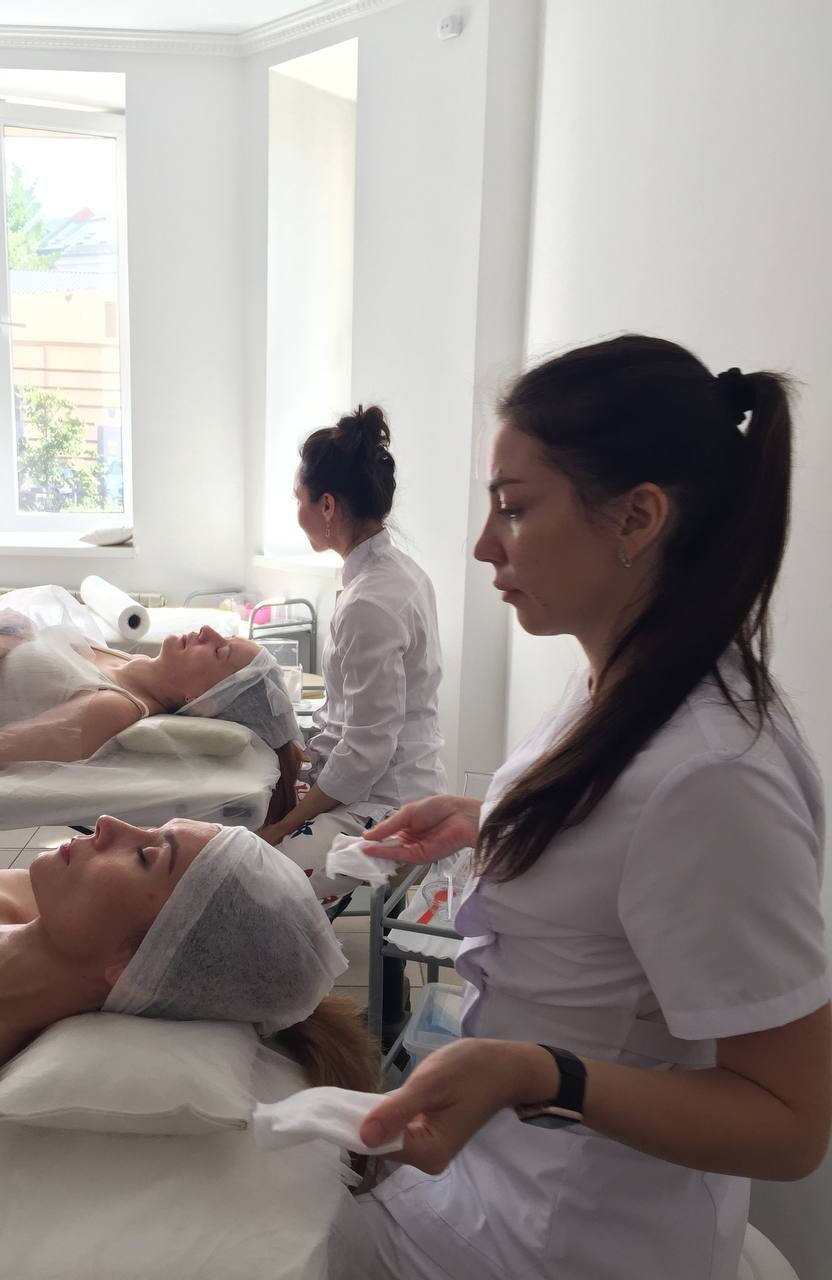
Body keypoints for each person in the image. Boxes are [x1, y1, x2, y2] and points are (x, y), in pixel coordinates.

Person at [326, 336, 830, 1280]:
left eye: (514, 509)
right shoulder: (620, 677)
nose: (485, 545)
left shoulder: (717, 776)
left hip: (576, 1238)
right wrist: (493, 818)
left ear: (637, 517)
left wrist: (541, 1073)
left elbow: (792, 1124)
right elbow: (624, 845)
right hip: (502, 1177)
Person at [0, 817, 375, 1169]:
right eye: (151, 830)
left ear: (137, 966)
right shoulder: (21, 897)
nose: (108, 823)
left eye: (144, 855)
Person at [0, 587, 305, 824]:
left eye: (220, 651)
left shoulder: (112, 709)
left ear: (202, 700)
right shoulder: (127, 663)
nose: (208, 631)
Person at [259, 405, 447, 904]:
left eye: (297, 498)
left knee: (256, 880)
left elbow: (366, 752)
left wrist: (284, 826)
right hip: (381, 788)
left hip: (388, 816)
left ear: (326, 505)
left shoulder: (371, 602)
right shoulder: (395, 574)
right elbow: (354, 723)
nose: (295, 511)